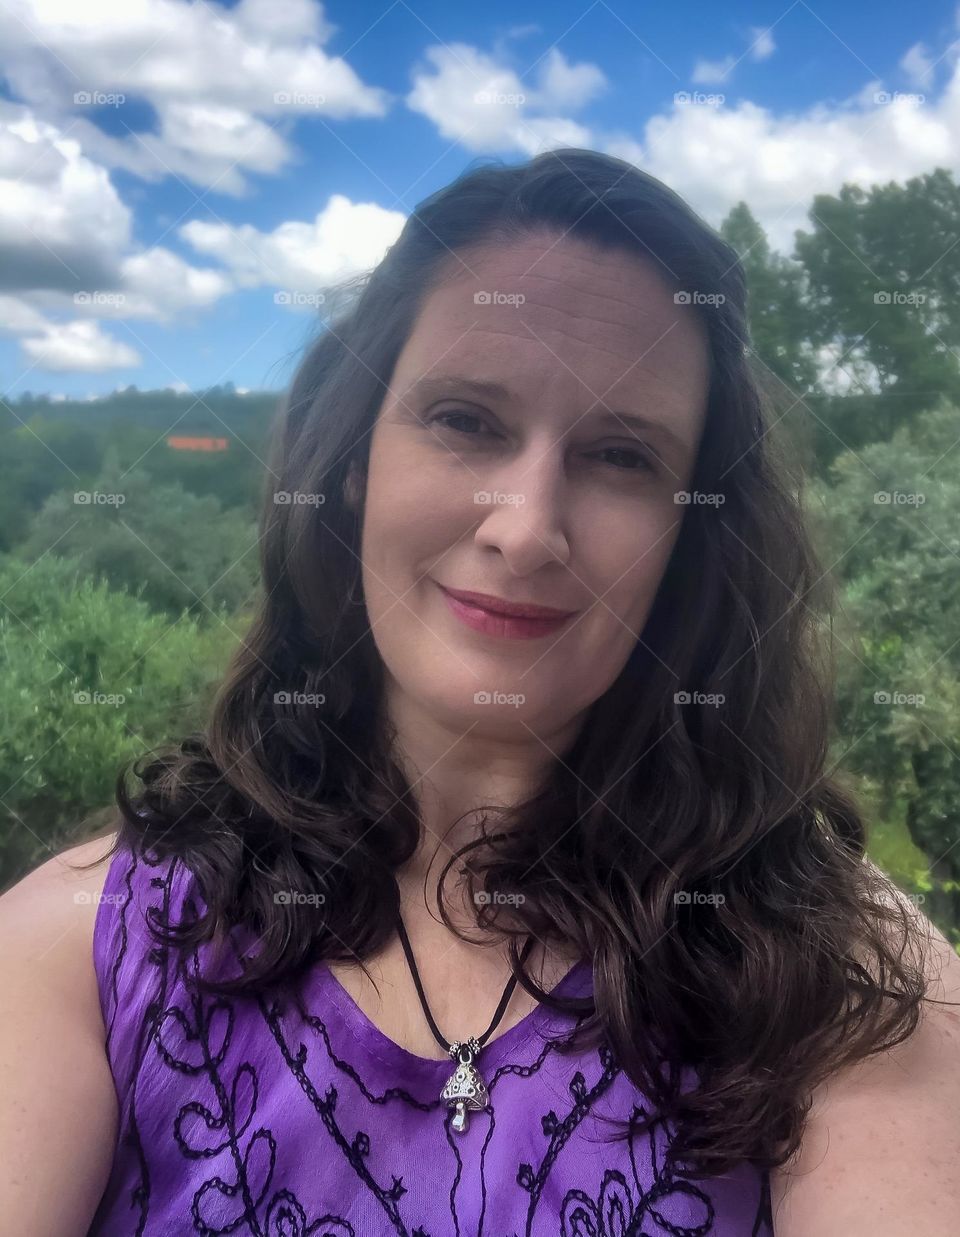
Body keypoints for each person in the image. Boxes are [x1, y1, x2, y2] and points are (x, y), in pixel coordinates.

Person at [2, 147, 958, 1236]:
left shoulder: (841, 974)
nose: (525, 527)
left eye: (622, 455)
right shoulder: (83, 946)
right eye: (466, 420)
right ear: (355, 456)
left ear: (692, 531)